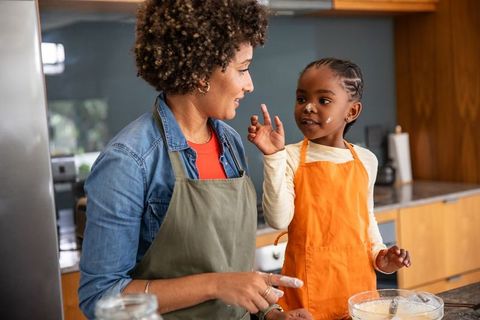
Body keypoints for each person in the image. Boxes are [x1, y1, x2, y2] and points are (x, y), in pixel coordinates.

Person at [78, 0, 313, 319]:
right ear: (201, 73)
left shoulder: (229, 142)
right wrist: (215, 285)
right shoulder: (130, 161)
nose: (250, 83)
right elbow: (101, 297)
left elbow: (230, 267)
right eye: (242, 68)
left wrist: (270, 313)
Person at [247, 57, 412, 319]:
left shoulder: (367, 161)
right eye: (302, 99)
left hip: (358, 295)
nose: (308, 107)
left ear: (352, 111)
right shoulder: (287, 156)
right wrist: (272, 157)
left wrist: (381, 257)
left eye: (323, 101)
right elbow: (278, 220)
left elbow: (366, 222)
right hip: (306, 297)